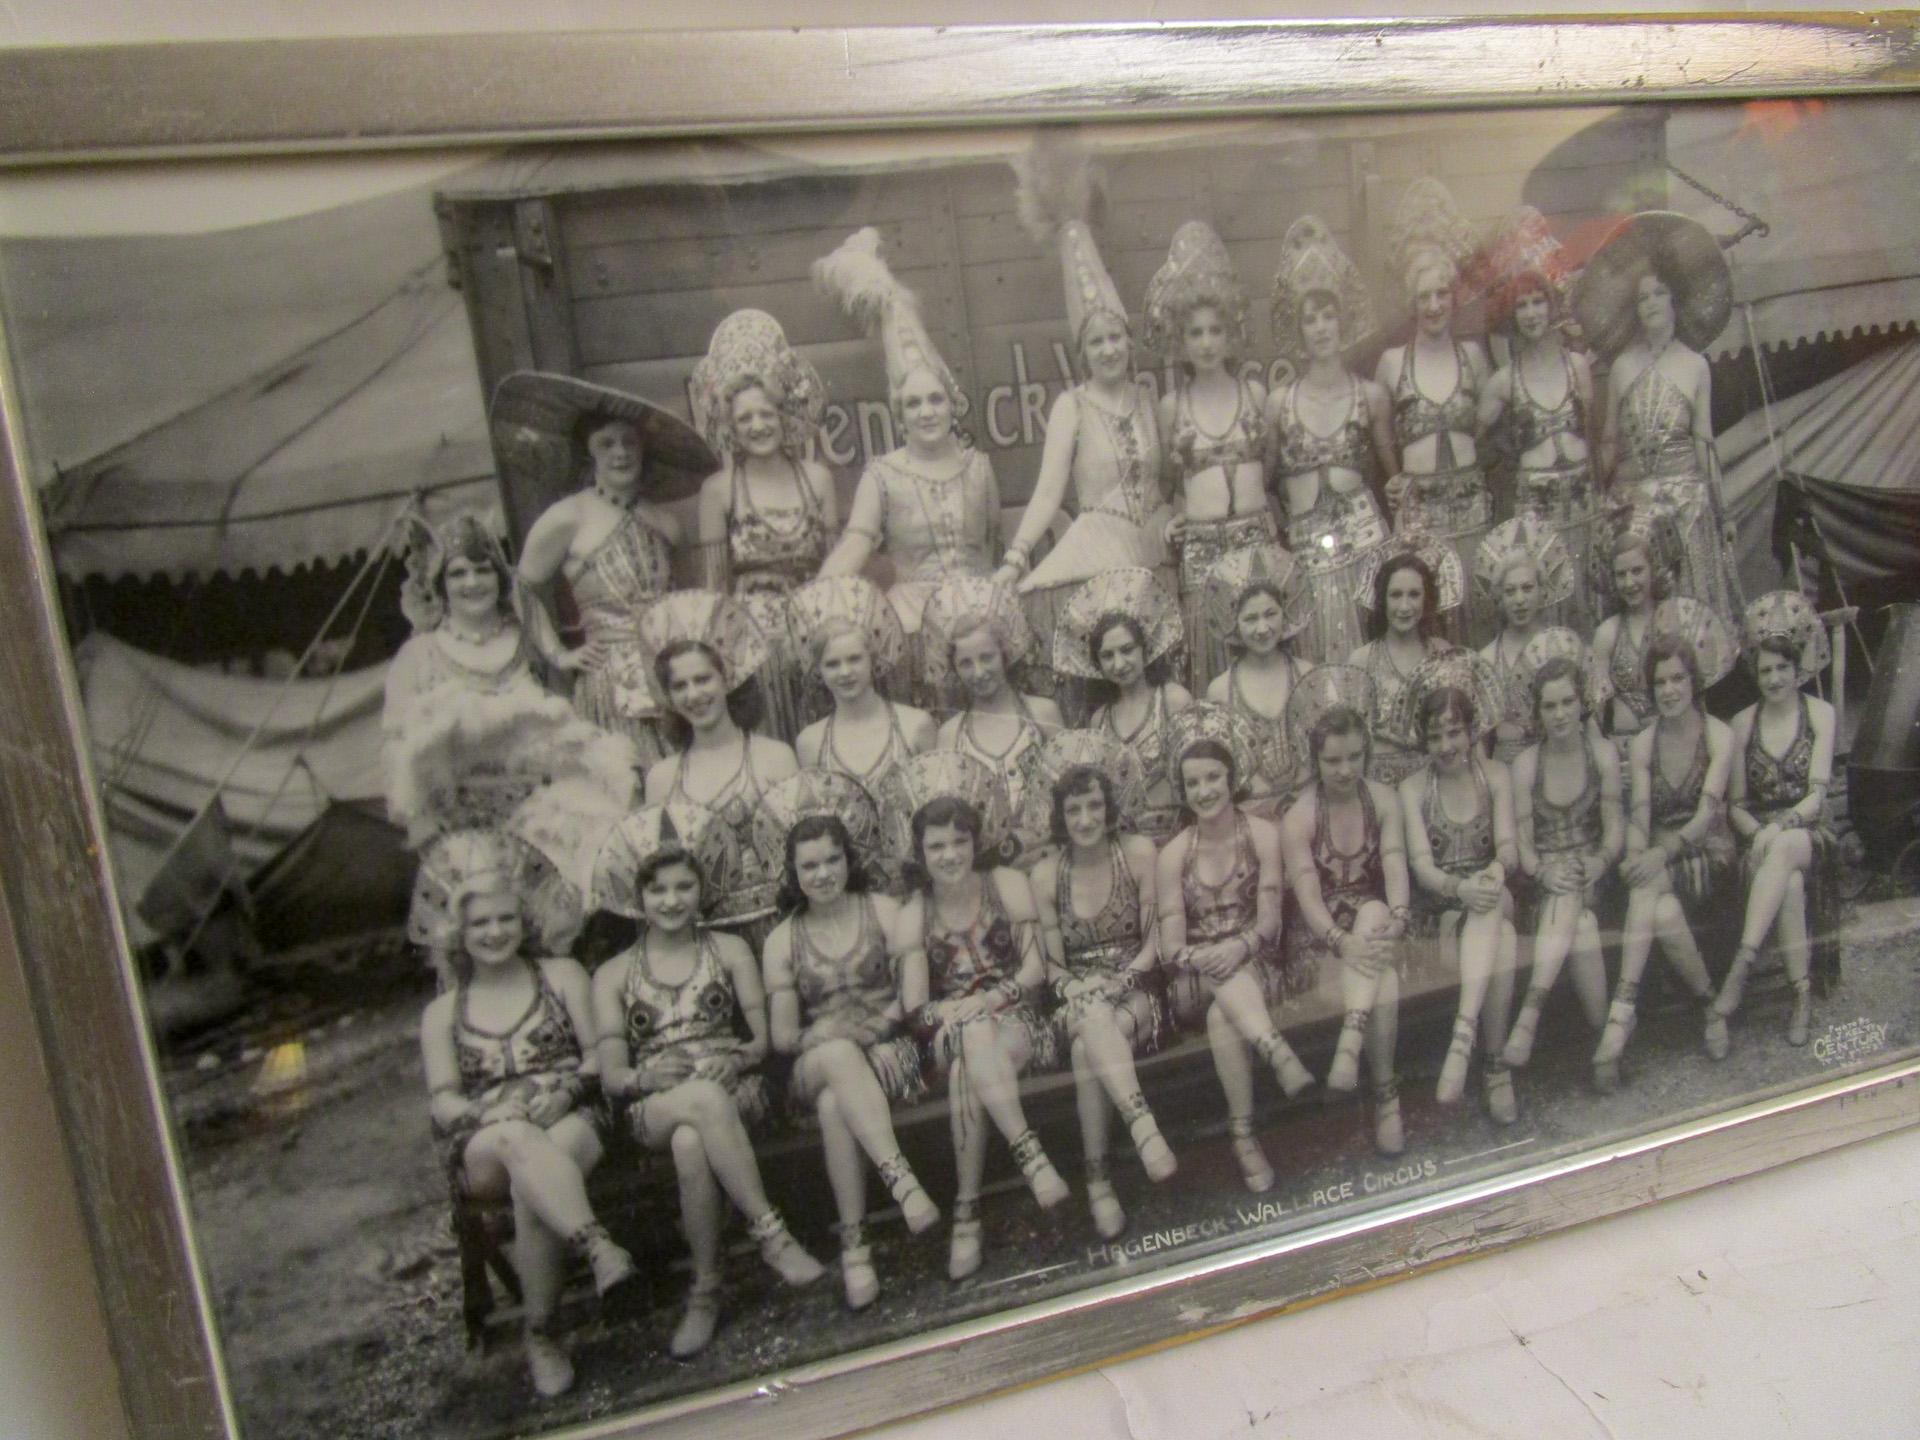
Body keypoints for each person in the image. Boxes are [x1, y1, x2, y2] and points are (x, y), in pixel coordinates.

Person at [590, 803, 824, 1359]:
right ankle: (771, 1234)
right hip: (653, 1104)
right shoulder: (614, 974)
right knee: (690, 1111)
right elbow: (612, 1075)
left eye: (683, 886)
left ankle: (705, 1291)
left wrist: (739, 1059)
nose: (672, 901)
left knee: (693, 1140)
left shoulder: (730, 949)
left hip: (733, 1091)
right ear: (637, 897)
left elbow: (761, 1043)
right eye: (658, 890)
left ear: (702, 889)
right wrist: (644, 1075)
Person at [419, 866, 634, 1398]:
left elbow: (597, 1055)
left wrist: (563, 1093)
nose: (495, 933)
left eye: (505, 919)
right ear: (459, 936)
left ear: (524, 921)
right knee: (517, 1143)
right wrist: (484, 1117)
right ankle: (599, 1246)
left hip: (572, 1117)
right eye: (480, 924)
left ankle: (542, 1334)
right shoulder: (443, 1011)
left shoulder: (561, 975)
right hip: (487, 1144)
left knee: (532, 1179)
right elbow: (443, 1098)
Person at [754, 773, 939, 1310]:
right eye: (809, 866)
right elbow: (786, 1037)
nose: (823, 874)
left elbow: (908, 1000)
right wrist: (833, 1035)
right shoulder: (781, 939)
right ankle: (901, 1180)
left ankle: (856, 1249)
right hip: (817, 1058)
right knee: (833, 1060)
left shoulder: (882, 910)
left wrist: (873, 1027)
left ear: (847, 859)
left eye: (832, 860)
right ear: (792, 872)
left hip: (888, 1051)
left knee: (839, 1105)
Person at [1004, 138, 1174, 706]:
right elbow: (1049, 493)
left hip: (1157, 547)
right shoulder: (1070, 406)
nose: (1108, 349)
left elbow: (1169, 478)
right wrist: (1015, 558)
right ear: (1083, 349)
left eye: (1115, 337)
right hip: (1099, 550)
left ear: (1129, 340)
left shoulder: (1150, 399)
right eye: (1095, 340)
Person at [888, 752, 1067, 1280]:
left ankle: (966, 1213)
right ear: (920, 853)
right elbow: (915, 1008)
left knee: (975, 1054)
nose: (950, 855)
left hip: (1019, 1023)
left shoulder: (1006, 885)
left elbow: (1037, 966)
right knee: (968, 1041)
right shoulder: (913, 913)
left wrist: (991, 999)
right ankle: (1027, 1152)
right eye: (936, 846)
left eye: (959, 842)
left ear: (976, 840)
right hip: (950, 1034)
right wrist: (957, 1011)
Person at [815, 228, 1005, 703]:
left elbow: (993, 547)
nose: (927, 411)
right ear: (899, 414)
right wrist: (816, 597)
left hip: (980, 625)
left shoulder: (978, 467)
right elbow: (855, 545)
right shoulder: (882, 475)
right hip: (915, 626)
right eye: (915, 403)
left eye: (935, 399)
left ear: (950, 404)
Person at [498, 372, 715, 771]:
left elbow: (687, 599)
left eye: (629, 442)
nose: (620, 452)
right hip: (608, 683)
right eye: (607, 443)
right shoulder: (568, 516)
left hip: (671, 678)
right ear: (588, 453)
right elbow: (522, 587)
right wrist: (557, 654)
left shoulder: (666, 522)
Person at [1158, 704, 1315, 1192]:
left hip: (1258, 962)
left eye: (1213, 778)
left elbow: (1269, 923)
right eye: (1193, 784)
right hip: (1195, 976)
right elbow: (1170, 945)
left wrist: (1238, 947)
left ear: (1232, 778)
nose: (1204, 791)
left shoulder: (1263, 836)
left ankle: (1243, 1136)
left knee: (1222, 1016)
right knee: (1217, 988)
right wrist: (1201, 957)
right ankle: (1276, 1051)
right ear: (1183, 792)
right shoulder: (1173, 854)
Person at [1030, 731, 1176, 1238]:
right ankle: (1142, 1126)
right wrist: (1073, 988)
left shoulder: (1136, 852)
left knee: (1085, 1053)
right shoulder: (1047, 875)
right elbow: (1050, 965)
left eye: (1094, 806)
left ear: (1109, 808)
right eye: (1074, 811)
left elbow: (1156, 938)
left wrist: (1125, 978)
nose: (1086, 820)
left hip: (1136, 989)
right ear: (1060, 817)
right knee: (1090, 1026)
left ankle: (1098, 1183)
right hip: (1080, 999)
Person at [1576, 211, 1742, 632]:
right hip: (1630, 504)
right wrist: (1602, 496)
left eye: (1659, 294)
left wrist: (1723, 512)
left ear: (1675, 301)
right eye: (1643, 297)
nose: (1650, 304)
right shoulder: (1621, 367)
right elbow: (1610, 439)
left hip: (1685, 505)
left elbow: (1704, 442)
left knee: (1686, 611)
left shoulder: (1695, 365)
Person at [1282, 670, 1415, 1156]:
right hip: (1320, 945)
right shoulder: (1299, 816)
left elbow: (1396, 864)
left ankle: (1352, 1043)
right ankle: (1386, 1098)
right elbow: (1307, 899)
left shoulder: (1381, 799)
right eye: (1332, 760)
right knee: (1386, 978)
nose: (1344, 770)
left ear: (1367, 752)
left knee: (1377, 908)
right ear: (1315, 759)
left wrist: (1398, 919)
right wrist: (1344, 942)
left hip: (1375, 932)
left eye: (1355, 757)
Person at [690, 309, 835, 743]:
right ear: (731, 428)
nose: (758, 426)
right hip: (754, 650)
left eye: (766, 414)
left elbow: (838, 572)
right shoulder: (719, 491)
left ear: (783, 414)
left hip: (815, 640)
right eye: (745, 419)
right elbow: (716, 591)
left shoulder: (818, 478)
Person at [1143, 220, 1275, 692]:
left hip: (1256, 545)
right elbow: (1163, 487)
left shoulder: (1256, 395)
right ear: (1180, 337)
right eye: (1195, 332)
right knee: (1216, 671)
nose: (1206, 342)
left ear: (1231, 332)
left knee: (1265, 659)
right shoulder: (1171, 407)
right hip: (1200, 556)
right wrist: (1170, 518)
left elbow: (1273, 471)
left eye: (1215, 330)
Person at [1265, 215, 1397, 665]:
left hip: (1366, 552)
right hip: (1307, 561)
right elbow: (1266, 486)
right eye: (1310, 319)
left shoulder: (1371, 396)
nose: (1320, 328)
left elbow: (1392, 482)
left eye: (1328, 316)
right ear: (1298, 329)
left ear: (1344, 321)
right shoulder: (1278, 404)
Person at [1715, 591, 1840, 1055]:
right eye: (1765, 670)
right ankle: (1801, 995)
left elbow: (1818, 793)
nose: (1774, 678)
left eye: (1782, 668)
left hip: (1809, 835)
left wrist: (1779, 828)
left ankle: (1741, 968)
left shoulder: (1821, 715)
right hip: (1761, 845)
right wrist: (1758, 833)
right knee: (1784, 885)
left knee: (1787, 850)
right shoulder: (1742, 723)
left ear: (1797, 668)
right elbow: (1736, 806)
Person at [639, 591, 799, 952]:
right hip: (707, 945)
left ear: (726, 679)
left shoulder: (775, 758)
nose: (694, 694)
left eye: (703, 679)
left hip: (781, 933)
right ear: (667, 696)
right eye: (679, 685)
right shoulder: (662, 779)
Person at [1608, 634, 1734, 1087]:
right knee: (1658, 906)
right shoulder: (1644, 743)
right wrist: (1635, 853)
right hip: (1663, 868)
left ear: (1693, 682)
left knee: (1648, 889)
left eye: (1678, 678)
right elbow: (1640, 815)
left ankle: (1622, 1009)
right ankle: (1711, 1006)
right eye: (1660, 682)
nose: (1669, 690)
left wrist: (1657, 854)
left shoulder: (1718, 734)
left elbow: (1707, 816)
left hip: (1710, 858)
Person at [1375, 178, 1494, 642]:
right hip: (1420, 521)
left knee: (1476, 617)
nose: (1434, 305)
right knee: (1428, 623)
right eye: (1424, 296)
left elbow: (1486, 431)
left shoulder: (1475, 358)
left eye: (1442, 294)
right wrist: (1397, 481)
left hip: (1471, 510)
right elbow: (1383, 444)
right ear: (1411, 301)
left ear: (1454, 297)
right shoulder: (1391, 365)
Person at [1398, 675, 1520, 1122]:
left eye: (1454, 733)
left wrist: (1493, 871)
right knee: (1501, 937)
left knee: (1491, 905)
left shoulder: (1497, 776)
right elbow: (1422, 868)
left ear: (1471, 732)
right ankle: (1494, 1064)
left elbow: (1508, 847)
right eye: (1435, 736)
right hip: (1445, 912)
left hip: (1491, 890)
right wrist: (1460, 889)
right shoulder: (1413, 791)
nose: (1446, 745)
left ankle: (1462, 1035)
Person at [1478, 207, 1600, 631]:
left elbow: (1597, 437)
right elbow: (1480, 448)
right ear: (1511, 314)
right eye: (1522, 305)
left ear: (1553, 306)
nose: (1531, 313)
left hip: (1584, 504)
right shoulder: (1501, 384)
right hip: (1536, 512)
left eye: (1538, 302)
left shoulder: (1578, 367)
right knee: (1545, 608)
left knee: (1588, 602)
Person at [1505, 656, 1623, 1070]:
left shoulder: (1602, 754)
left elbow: (1614, 829)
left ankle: (1529, 1014)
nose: (1559, 715)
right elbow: (1523, 842)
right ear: (1538, 712)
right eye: (1549, 706)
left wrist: (1601, 861)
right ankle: (1604, 1048)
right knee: (1583, 925)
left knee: (1578, 898)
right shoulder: (1525, 765)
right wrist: (1542, 870)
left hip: (1595, 873)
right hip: (1544, 884)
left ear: (1581, 704)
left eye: (1567, 703)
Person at [923, 575, 1065, 867]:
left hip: (1051, 863)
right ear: (954, 669)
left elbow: (1071, 793)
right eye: (966, 663)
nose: (978, 672)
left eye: (987, 658)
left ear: (1005, 655)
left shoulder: (1042, 714)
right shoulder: (950, 735)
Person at [791, 575, 937, 837]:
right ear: (818, 670)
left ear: (873, 659)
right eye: (832, 664)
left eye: (855, 659)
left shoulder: (915, 726)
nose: (845, 672)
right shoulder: (810, 743)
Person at [1056, 568, 1193, 845]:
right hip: (1127, 846)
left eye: (1127, 650)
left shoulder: (1172, 700)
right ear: (1097, 663)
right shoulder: (1099, 720)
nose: (1119, 664)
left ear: (1146, 649)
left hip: (1180, 839)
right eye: (1108, 655)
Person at [1588, 515, 1732, 745]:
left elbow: (1699, 698)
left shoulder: (1680, 618)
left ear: (1653, 569)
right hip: (1624, 748)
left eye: (1637, 571)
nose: (1629, 582)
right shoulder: (1608, 633)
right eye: (1620, 574)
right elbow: (1596, 713)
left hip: (1680, 744)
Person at [1203, 545, 1318, 820]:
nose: (1263, 628)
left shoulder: (1307, 674)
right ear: (1234, 623)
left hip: (1308, 811)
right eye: (1250, 619)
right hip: (1250, 817)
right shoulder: (1220, 689)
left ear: (1285, 613)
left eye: (1270, 614)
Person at [1349, 543, 1463, 786]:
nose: (1404, 607)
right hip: (1380, 784)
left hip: (1434, 780)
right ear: (1382, 599)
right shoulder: (1362, 660)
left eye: (1414, 595)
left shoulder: (1443, 653)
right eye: (1395, 595)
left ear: (1427, 599)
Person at [1474, 517, 1577, 765]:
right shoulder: (1486, 658)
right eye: (1510, 591)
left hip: (1557, 760)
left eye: (1527, 588)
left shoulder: (1563, 646)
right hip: (1506, 765)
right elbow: (1479, 739)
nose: (1519, 599)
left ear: (1542, 591)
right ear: (1498, 597)